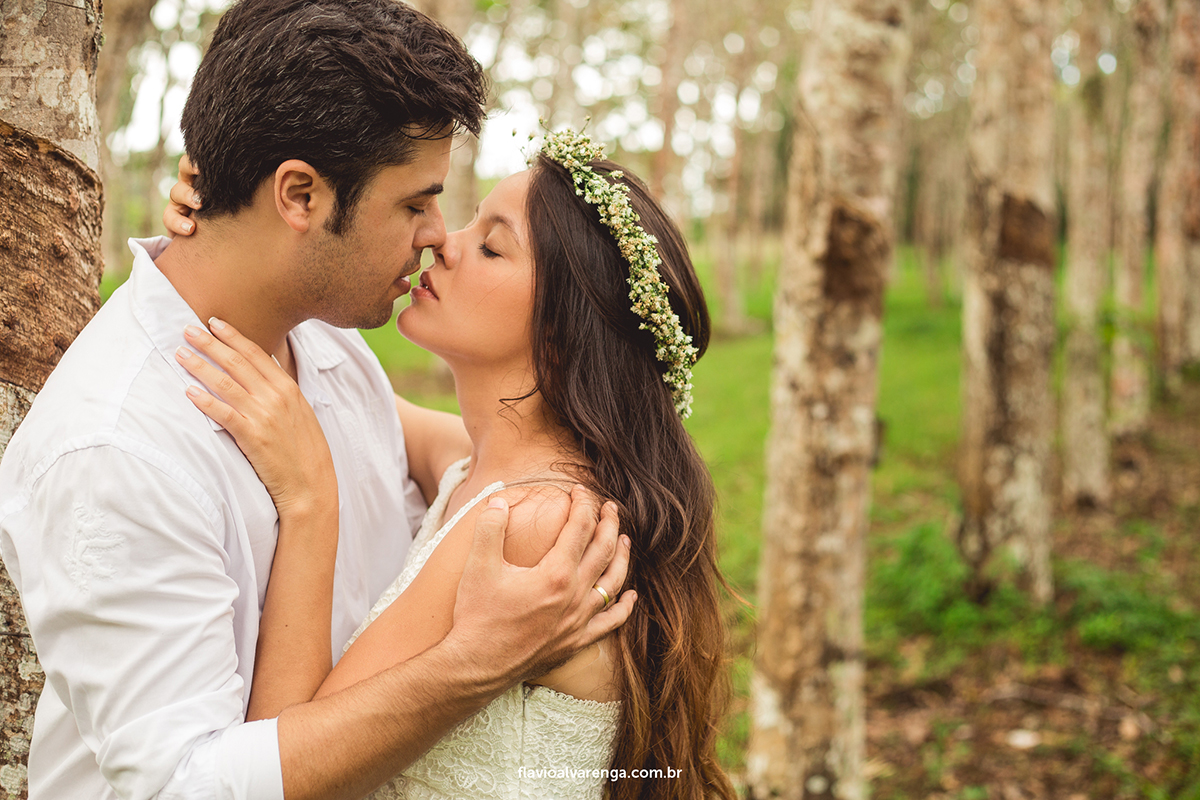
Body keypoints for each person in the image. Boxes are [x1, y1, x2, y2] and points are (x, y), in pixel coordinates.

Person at [0, 2, 632, 799]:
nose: (438, 234)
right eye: (414, 203)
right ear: (299, 196)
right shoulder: (116, 450)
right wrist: (473, 662)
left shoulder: (326, 342)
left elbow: (462, 458)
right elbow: (184, 786)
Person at [166, 130, 738, 799]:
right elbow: (362, 409)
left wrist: (310, 502)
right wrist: (239, 215)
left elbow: (285, 762)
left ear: (559, 335)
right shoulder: (485, 467)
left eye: (492, 244)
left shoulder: (525, 527)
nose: (443, 241)